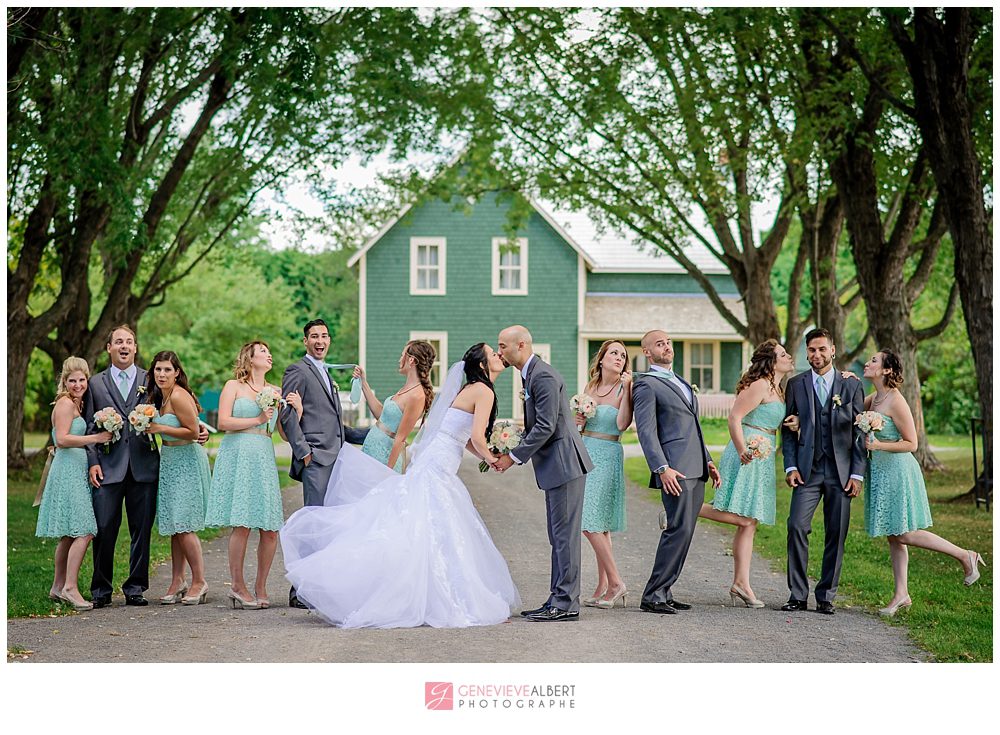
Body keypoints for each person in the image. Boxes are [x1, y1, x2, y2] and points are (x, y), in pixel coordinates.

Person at [279, 344, 520, 628]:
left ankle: (425, 587)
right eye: (493, 353)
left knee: (426, 522)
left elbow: (466, 437)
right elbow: (478, 437)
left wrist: (486, 454)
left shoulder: (470, 389)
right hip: (439, 464)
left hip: (438, 460)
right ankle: (443, 595)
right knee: (437, 523)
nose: (498, 356)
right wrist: (494, 458)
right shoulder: (484, 391)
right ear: (482, 365)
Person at [861, 349, 986, 616]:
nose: (867, 363)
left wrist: (878, 443)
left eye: (874, 360)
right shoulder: (874, 398)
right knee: (894, 537)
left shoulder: (896, 401)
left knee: (904, 532)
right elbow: (850, 412)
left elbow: (912, 443)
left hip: (899, 471)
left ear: (886, 370)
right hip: (881, 472)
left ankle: (965, 555)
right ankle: (901, 594)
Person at [494, 325, 593, 622]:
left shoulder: (543, 376)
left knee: (564, 537)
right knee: (558, 535)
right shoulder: (532, 374)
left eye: (503, 346)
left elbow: (546, 426)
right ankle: (557, 597)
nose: (500, 351)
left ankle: (565, 604)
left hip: (564, 464)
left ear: (520, 345)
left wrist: (513, 455)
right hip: (558, 466)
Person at [278, 318, 369, 609]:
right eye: (314, 336)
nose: (320, 341)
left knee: (328, 524)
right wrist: (304, 452)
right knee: (313, 522)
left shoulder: (326, 373)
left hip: (336, 456)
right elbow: (287, 414)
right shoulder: (297, 370)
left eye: (325, 336)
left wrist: (371, 435)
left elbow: (331, 421)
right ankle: (299, 591)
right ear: (305, 341)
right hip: (316, 458)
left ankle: (321, 587)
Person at [698, 340, 795, 608]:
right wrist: (743, 449)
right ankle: (686, 508)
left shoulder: (779, 387)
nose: (789, 357)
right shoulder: (761, 384)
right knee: (742, 516)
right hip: (748, 451)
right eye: (783, 354)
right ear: (771, 360)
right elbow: (734, 417)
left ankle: (741, 583)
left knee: (750, 520)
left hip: (763, 455)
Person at [632, 330, 721, 615]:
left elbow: (692, 426)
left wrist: (708, 460)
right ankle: (652, 595)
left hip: (697, 467)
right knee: (676, 529)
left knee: (686, 531)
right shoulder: (646, 384)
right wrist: (661, 468)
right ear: (647, 352)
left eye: (668, 342)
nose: (667, 347)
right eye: (659, 344)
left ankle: (665, 590)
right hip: (674, 469)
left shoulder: (680, 381)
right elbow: (646, 431)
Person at [780, 327, 866, 615]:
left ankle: (826, 595)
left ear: (833, 350)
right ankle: (798, 594)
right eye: (811, 350)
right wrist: (790, 465)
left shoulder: (851, 385)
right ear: (807, 352)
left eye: (822, 349)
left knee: (836, 532)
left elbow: (860, 432)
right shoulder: (796, 384)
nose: (816, 354)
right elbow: (788, 430)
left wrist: (857, 473)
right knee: (796, 526)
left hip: (841, 472)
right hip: (808, 469)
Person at [206, 341, 286, 610]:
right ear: (250, 359)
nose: (269, 354)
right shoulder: (234, 387)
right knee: (242, 523)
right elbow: (223, 423)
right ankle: (238, 586)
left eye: (268, 351)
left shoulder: (275, 391)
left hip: (263, 453)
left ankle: (261, 585)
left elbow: (279, 431)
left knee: (270, 528)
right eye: (263, 351)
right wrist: (258, 417)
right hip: (238, 453)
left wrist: (293, 410)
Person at [85, 326, 159, 607]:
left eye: (129, 342)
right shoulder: (96, 383)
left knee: (141, 529)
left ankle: (136, 587)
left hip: (144, 466)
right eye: (118, 342)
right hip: (107, 466)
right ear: (109, 348)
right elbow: (90, 426)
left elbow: (171, 409)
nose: (124, 346)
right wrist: (92, 461)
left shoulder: (150, 379)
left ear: (136, 348)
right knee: (104, 528)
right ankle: (101, 590)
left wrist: (196, 429)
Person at [36, 357, 114, 611]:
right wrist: (97, 437)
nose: (78, 384)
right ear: (64, 381)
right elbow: (62, 439)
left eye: (82, 380)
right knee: (85, 530)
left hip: (75, 469)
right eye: (73, 380)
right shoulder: (65, 404)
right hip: (67, 470)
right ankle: (70, 587)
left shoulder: (77, 404)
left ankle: (57, 587)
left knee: (69, 535)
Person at [143, 351, 211, 606]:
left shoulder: (180, 396)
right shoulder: (160, 397)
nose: (162, 374)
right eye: (158, 370)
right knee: (174, 526)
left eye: (167, 370)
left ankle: (199, 581)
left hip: (186, 460)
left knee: (184, 525)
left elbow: (193, 431)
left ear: (177, 373)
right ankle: (177, 580)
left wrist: (160, 428)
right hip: (170, 460)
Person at [573, 340, 633, 609]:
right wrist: (580, 420)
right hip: (587, 450)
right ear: (602, 358)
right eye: (614, 353)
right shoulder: (590, 387)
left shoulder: (624, 387)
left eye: (623, 355)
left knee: (590, 521)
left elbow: (622, 424)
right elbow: (582, 426)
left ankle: (617, 582)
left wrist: (629, 388)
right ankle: (604, 585)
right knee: (599, 523)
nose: (619, 358)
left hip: (608, 453)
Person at [352, 340, 436, 472]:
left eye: (402, 355)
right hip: (372, 450)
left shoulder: (417, 396)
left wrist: (387, 471)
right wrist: (363, 382)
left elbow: (400, 438)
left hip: (384, 458)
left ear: (411, 360)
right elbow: (381, 416)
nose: (399, 359)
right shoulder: (406, 388)